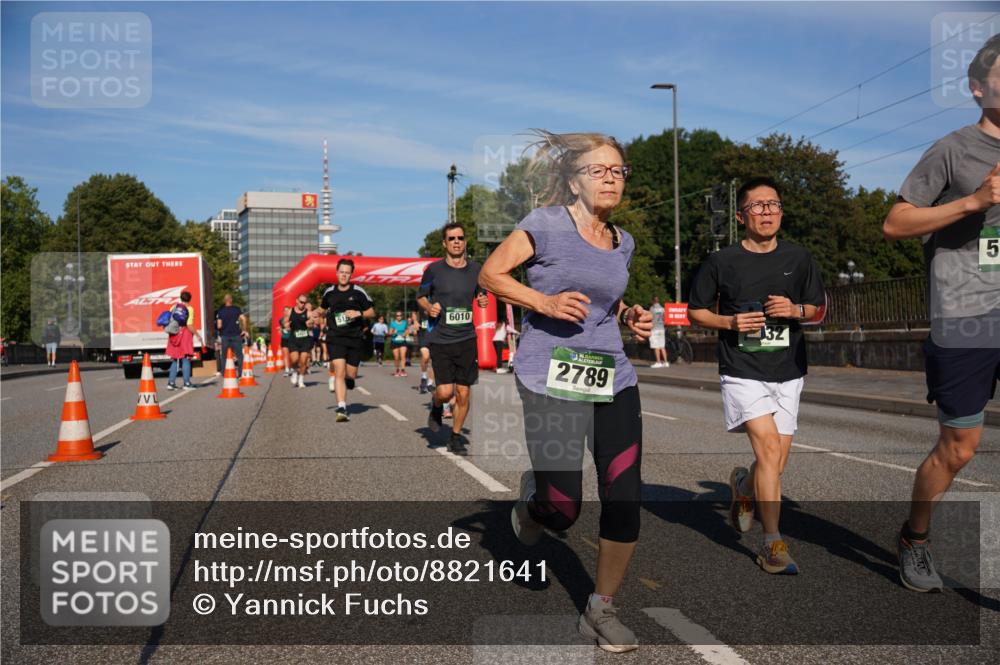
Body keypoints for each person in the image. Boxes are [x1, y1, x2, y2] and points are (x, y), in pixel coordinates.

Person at [480, 130, 652, 653]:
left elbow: (605, 301)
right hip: (550, 375)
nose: (610, 179)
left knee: (625, 493)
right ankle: (535, 502)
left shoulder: (623, 241)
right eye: (598, 170)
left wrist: (629, 314)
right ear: (574, 182)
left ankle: (601, 609)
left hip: (612, 376)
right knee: (563, 510)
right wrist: (544, 303)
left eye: (617, 171)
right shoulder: (545, 224)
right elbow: (491, 274)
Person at [882, 34, 1000, 593]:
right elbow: (895, 222)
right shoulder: (952, 150)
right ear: (978, 88)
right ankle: (916, 537)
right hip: (966, 316)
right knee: (959, 449)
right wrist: (974, 202)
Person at [688, 176, 825, 576]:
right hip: (742, 368)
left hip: (789, 369)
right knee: (767, 449)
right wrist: (730, 322)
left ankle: (743, 486)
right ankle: (772, 543)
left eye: (773, 205)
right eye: (757, 206)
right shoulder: (722, 261)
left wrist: (795, 311)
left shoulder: (800, 257)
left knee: (775, 464)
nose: (767, 212)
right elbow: (696, 311)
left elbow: (818, 308)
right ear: (740, 215)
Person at [418, 222, 490, 456]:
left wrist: (482, 299)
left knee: (464, 392)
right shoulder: (433, 270)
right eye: (452, 239)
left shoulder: (476, 269)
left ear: (465, 241)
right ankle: (436, 404)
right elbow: (421, 297)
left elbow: (481, 292)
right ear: (444, 243)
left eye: (460, 238)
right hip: (441, 338)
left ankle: (455, 437)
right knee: (445, 392)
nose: (456, 242)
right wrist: (429, 307)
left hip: (467, 338)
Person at [321, 259, 376, 422]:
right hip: (335, 337)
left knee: (351, 374)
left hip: (354, 338)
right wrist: (314, 314)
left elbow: (371, 312)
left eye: (347, 273)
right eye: (341, 272)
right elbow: (322, 308)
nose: (344, 275)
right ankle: (342, 407)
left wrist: (359, 313)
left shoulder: (358, 292)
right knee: (339, 370)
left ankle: (349, 380)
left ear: (351, 274)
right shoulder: (329, 292)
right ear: (336, 273)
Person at [166, 290, 205, 390]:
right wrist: (197, 335)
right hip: (185, 335)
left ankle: (171, 383)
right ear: (190, 299)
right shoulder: (189, 309)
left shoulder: (174, 307)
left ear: (181, 298)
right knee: (186, 358)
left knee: (175, 359)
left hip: (174, 334)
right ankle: (186, 383)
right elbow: (189, 325)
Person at [283, 295, 313, 388]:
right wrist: (286, 325)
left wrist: (310, 324)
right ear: (296, 301)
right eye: (301, 302)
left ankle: (301, 380)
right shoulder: (290, 311)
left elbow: (313, 323)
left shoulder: (308, 313)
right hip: (294, 339)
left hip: (305, 340)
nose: (302, 304)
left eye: (304, 302)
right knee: (295, 359)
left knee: (303, 361)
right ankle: (295, 372)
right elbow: (284, 321)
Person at [215, 293, 248, 376]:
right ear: (231, 300)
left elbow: (219, 326)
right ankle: (241, 373)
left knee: (224, 356)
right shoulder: (236, 309)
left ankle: (224, 373)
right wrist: (244, 330)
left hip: (225, 336)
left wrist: (220, 330)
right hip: (236, 335)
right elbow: (244, 319)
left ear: (224, 301)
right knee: (239, 355)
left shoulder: (221, 311)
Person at [415, 312, 436, 393]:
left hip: (436, 336)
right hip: (423, 335)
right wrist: (415, 321)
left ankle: (430, 384)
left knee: (435, 361)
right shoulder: (422, 304)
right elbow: (414, 312)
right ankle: (424, 377)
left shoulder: (440, 304)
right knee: (425, 356)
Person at [648, 296, 668, 368]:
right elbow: (665, 319)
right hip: (661, 328)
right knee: (662, 346)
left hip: (654, 328)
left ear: (653, 301)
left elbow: (649, 318)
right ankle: (666, 362)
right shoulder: (662, 309)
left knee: (656, 346)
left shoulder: (652, 308)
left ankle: (658, 362)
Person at [388, 311, 409, 377]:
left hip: (403, 341)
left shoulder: (404, 322)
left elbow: (407, 330)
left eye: (400, 315)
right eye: (397, 315)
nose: (399, 317)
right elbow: (389, 333)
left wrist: (405, 333)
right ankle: (397, 370)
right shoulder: (393, 323)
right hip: (394, 341)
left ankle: (403, 370)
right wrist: (394, 332)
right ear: (395, 317)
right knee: (396, 357)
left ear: (402, 316)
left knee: (403, 356)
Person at [278, 306, 292, 376]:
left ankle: (292, 367)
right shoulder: (281, 320)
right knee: (285, 354)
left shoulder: (293, 319)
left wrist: (289, 328)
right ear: (283, 312)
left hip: (292, 338)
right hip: (284, 338)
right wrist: (280, 329)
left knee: (292, 354)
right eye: (285, 310)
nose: (286, 312)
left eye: (287, 310)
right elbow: (281, 328)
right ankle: (287, 369)